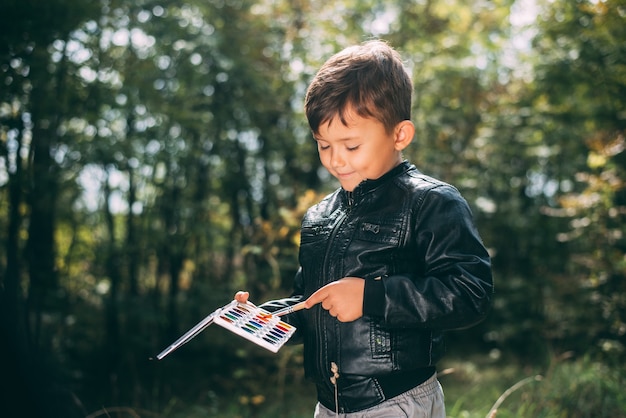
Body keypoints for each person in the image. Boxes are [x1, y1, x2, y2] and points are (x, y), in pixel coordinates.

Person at [235, 39, 493, 417]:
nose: (336, 160)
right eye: (323, 145)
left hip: (395, 402)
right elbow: (308, 304)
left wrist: (372, 297)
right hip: (329, 405)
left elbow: (471, 294)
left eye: (351, 145)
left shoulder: (430, 202)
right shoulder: (320, 217)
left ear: (399, 135)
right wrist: (266, 319)